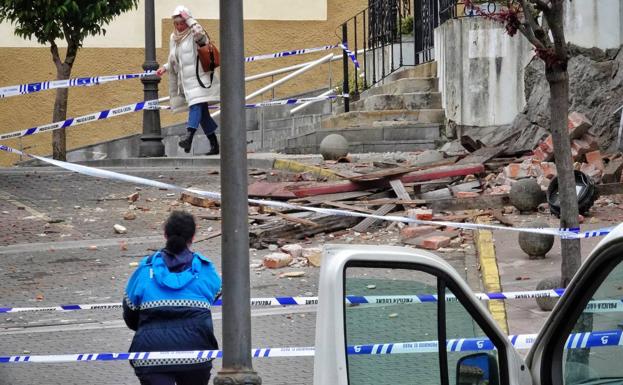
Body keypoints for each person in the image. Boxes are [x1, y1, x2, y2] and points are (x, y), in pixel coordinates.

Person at [123, 211, 222, 385]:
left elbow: (130, 316)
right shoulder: (206, 270)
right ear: (193, 236)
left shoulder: (145, 270)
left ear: (165, 235)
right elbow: (213, 297)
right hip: (196, 355)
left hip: (150, 355)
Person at [156, 5, 220, 155]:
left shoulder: (194, 34)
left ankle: (188, 138)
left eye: (181, 23)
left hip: (200, 79)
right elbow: (174, 58)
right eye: (176, 23)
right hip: (185, 81)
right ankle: (214, 145)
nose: (179, 26)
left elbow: (201, 36)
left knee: (196, 106)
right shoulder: (174, 38)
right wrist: (165, 67)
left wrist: (190, 19)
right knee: (203, 114)